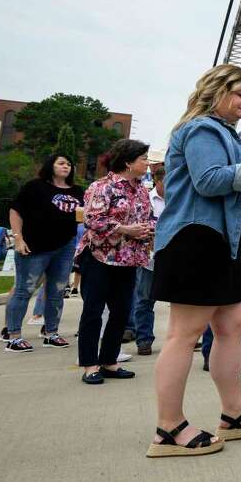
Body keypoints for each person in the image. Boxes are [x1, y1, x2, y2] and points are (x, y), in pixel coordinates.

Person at [149, 64, 241, 457]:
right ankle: (168, 427)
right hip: (195, 239)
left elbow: (231, 183)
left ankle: (234, 413)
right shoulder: (201, 129)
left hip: (226, 243)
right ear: (216, 92)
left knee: (232, 324)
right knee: (185, 333)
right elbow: (210, 180)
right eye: (239, 94)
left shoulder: (227, 135)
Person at [76, 140, 155, 385]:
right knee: (93, 311)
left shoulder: (142, 189)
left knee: (121, 312)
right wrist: (125, 229)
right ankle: (90, 365)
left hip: (129, 259)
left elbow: (149, 217)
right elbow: (93, 219)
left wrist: (147, 230)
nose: (147, 162)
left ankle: (109, 361)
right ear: (128, 162)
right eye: (143, 158)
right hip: (100, 257)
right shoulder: (102, 187)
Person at [0, 154, 84, 352]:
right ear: (51, 166)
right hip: (35, 245)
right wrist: (18, 238)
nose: (66, 167)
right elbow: (16, 210)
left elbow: (82, 214)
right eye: (61, 163)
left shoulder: (77, 190)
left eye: (69, 164)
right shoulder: (35, 187)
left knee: (56, 291)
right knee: (24, 289)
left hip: (65, 246)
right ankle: (13, 335)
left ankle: (51, 333)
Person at [201, 128, 241, 371]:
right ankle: (209, 354)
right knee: (211, 309)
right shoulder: (229, 172)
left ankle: (235, 357)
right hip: (220, 248)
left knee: (239, 308)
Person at [129, 156, 166, 355]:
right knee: (144, 300)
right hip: (150, 259)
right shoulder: (144, 200)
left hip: (175, 258)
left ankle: (187, 338)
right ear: (159, 181)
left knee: (184, 301)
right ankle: (144, 340)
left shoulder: (179, 201)